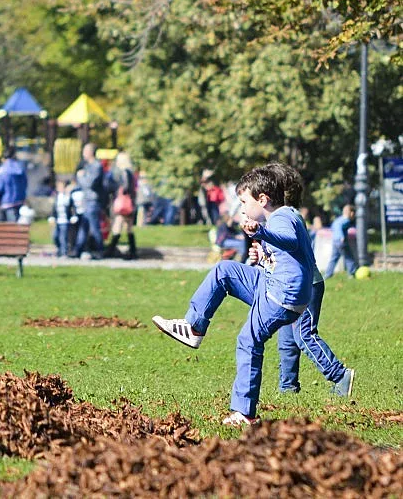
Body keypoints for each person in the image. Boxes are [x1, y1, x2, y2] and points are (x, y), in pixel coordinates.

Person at [152, 165, 314, 426]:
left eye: (243, 202)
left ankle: (244, 413)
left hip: (281, 294)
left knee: (248, 341)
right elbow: (288, 256)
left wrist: (261, 233)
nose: (241, 208)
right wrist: (261, 257)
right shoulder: (282, 216)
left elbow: (291, 241)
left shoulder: (282, 217)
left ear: (263, 200)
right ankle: (193, 326)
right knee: (224, 270)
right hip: (274, 284)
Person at [257, 163, 355, 398]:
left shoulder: (287, 217)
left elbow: (290, 246)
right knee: (287, 340)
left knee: (303, 334)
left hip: (306, 285)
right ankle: (288, 387)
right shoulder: (278, 219)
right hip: (292, 286)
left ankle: (339, 374)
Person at [71, 143, 107, 259]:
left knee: (94, 227)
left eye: (86, 150)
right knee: (83, 226)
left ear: (91, 152)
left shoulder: (96, 166)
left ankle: (100, 250)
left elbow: (89, 183)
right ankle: (77, 250)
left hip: (92, 201)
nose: (83, 153)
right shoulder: (87, 166)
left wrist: (81, 176)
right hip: (85, 200)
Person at [104, 151, 138, 260]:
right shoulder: (129, 172)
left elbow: (125, 188)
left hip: (123, 203)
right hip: (129, 203)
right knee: (128, 227)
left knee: (118, 226)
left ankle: (111, 249)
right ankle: (132, 250)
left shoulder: (123, 172)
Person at [0, 147, 27, 222]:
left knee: (6, 228)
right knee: (16, 227)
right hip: (19, 201)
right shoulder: (21, 167)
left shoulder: (1, 170)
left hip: (6, 202)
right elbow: (25, 184)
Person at [323, 205, 357, 278]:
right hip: (341, 241)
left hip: (335, 241)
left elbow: (333, 227)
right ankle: (351, 273)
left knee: (334, 258)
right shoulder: (346, 220)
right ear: (351, 213)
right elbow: (339, 227)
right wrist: (341, 236)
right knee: (349, 257)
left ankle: (327, 274)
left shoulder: (338, 219)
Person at [49, 179, 74, 258]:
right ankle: (59, 250)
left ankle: (64, 252)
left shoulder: (67, 197)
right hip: (58, 220)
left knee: (63, 237)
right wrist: (52, 217)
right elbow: (54, 208)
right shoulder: (57, 197)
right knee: (55, 236)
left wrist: (73, 216)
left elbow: (72, 208)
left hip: (65, 221)